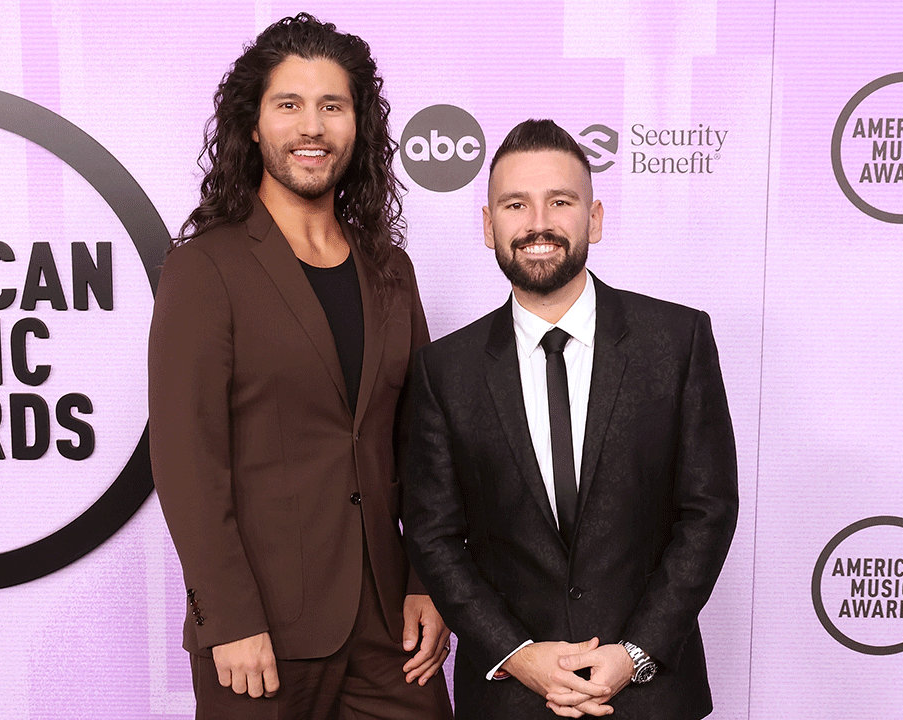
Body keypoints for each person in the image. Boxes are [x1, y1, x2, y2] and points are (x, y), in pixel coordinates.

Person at [148, 14, 453, 720]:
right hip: (262, 633)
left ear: (357, 128)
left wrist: (425, 581)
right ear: (253, 126)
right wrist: (228, 618)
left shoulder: (390, 272)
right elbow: (187, 461)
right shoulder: (205, 269)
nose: (311, 127)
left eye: (332, 106)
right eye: (289, 105)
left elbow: (423, 446)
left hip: (390, 628)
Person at [401, 119, 739, 719]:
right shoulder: (442, 372)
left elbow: (708, 513)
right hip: (511, 699)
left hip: (652, 695)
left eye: (561, 201)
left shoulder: (677, 342)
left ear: (595, 218)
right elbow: (433, 536)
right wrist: (517, 654)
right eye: (515, 204)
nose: (538, 224)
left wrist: (634, 654)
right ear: (488, 226)